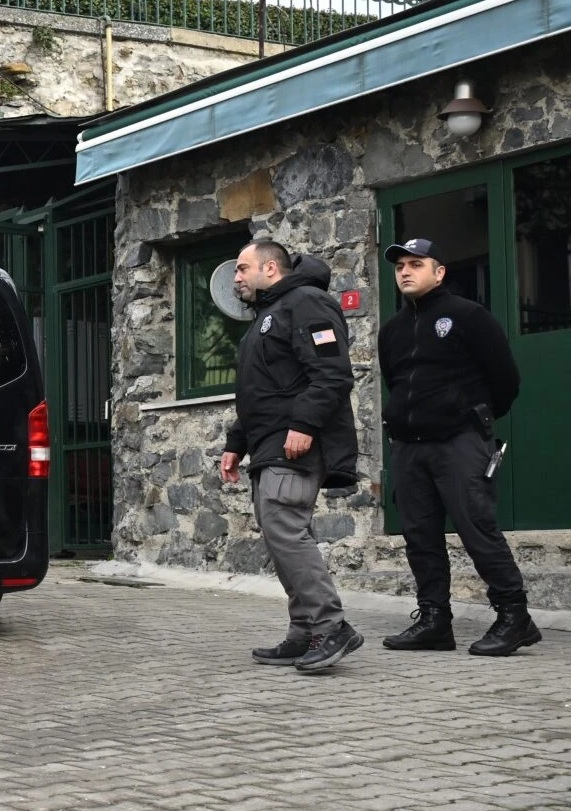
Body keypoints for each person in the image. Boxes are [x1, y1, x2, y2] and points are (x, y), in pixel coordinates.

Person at [377, 238, 537, 656]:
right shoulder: (392, 330)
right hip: (409, 447)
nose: (406, 272)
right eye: (400, 267)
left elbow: (506, 379)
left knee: (477, 528)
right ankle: (434, 621)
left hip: (459, 441)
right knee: (419, 536)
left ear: (439, 271)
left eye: (416, 264)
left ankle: (514, 616)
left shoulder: (468, 316)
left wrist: (471, 415)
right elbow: (396, 382)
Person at [219, 240, 364, 673]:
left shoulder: (307, 303)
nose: (236, 278)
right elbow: (258, 392)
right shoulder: (269, 315)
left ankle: (331, 627)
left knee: (286, 528)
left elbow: (332, 374)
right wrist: (235, 443)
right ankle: (305, 632)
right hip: (268, 446)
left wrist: (302, 425)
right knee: (278, 533)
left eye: (242, 268)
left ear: (270, 268)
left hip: (295, 444)